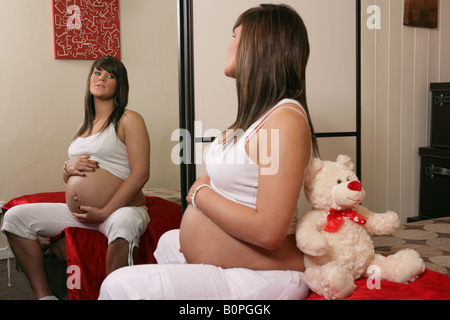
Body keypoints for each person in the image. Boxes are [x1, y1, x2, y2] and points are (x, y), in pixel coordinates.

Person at [98, 4, 318, 300]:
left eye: (235, 36)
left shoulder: (285, 120)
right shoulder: (258, 118)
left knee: (118, 285)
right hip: (236, 261)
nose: (230, 44)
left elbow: (268, 231)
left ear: (260, 45)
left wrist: (200, 195)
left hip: (263, 278)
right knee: (166, 241)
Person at [2, 56, 151, 300]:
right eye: (97, 72)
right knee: (15, 218)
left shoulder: (128, 119)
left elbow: (141, 174)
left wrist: (104, 212)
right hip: (81, 214)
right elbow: (70, 175)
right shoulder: (85, 125)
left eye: (110, 75)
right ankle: (45, 296)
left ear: (119, 85)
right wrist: (67, 166)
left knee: (124, 227)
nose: (101, 78)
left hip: (119, 209)